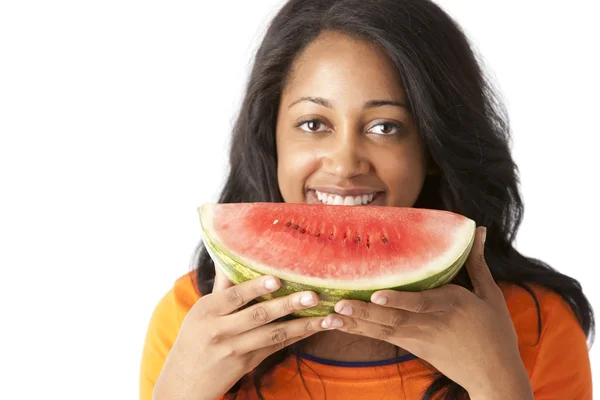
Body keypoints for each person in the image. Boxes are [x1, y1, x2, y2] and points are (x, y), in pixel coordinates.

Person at [140, 0, 594, 399]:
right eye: (314, 124)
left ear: (433, 147)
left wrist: (498, 384)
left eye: (385, 127)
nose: (344, 164)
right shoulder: (191, 321)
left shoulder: (536, 326)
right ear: (270, 138)